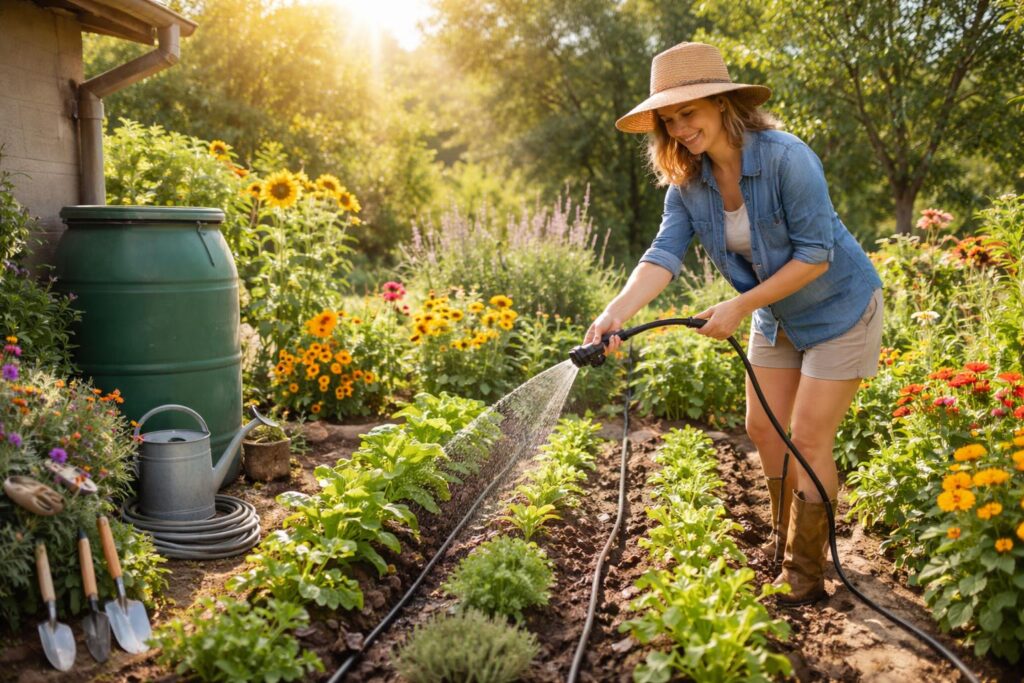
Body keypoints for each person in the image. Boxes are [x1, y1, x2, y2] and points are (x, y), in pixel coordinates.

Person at [585, 41, 883, 605]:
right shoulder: (688, 182)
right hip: (776, 313)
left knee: (810, 436)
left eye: (688, 113)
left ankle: (804, 572)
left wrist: (738, 307)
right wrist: (614, 313)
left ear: (722, 104)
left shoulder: (785, 158)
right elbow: (663, 255)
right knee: (761, 427)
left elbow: (815, 255)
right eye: (668, 120)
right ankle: (785, 539)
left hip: (841, 308)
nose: (679, 128)